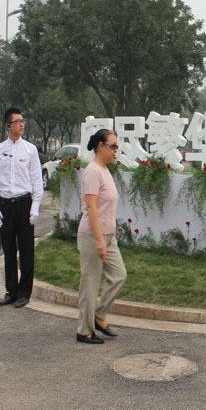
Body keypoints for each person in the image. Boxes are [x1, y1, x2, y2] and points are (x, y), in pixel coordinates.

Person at [0, 108, 44, 309]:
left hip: (24, 204)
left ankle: (24, 292)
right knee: (8, 250)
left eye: (23, 121)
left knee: (26, 251)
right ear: (8, 126)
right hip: (5, 206)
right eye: (17, 121)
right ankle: (11, 291)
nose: (22, 124)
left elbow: (37, 180)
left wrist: (35, 206)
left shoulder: (30, 150)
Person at [75, 128, 126, 344]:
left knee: (119, 275)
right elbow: (92, 209)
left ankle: (98, 315)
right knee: (90, 283)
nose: (116, 150)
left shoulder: (105, 169)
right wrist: (98, 241)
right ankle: (84, 330)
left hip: (108, 235)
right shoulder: (92, 171)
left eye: (116, 146)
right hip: (92, 236)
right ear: (100, 146)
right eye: (113, 146)